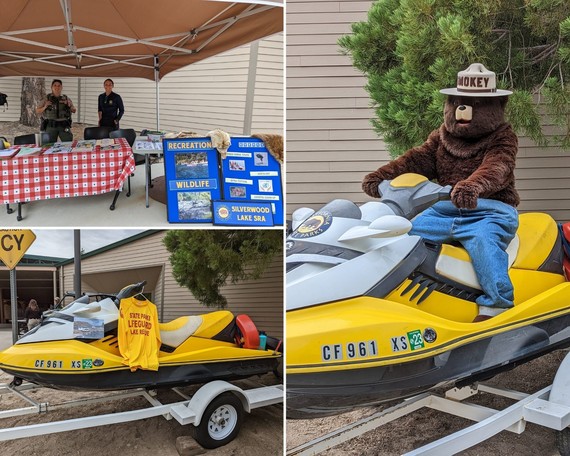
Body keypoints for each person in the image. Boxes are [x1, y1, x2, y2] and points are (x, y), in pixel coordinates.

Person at [362, 63, 518, 322]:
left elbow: (498, 166)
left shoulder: (503, 137)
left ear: (497, 107)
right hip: (444, 207)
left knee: (483, 243)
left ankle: (498, 303)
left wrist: (473, 186)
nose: (462, 110)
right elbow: (417, 159)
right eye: (457, 102)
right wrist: (384, 176)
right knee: (402, 233)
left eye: (474, 105)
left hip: (489, 211)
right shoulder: (442, 136)